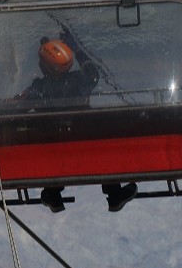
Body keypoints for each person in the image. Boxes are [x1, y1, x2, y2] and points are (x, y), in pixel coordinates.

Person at [17, 37, 138, 213]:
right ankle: (114, 193)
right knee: (102, 151)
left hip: (55, 145)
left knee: (51, 153)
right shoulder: (79, 80)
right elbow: (93, 74)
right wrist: (77, 49)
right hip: (85, 141)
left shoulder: (40, 88)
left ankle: (52, 193)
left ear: (44, 67)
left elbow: (20, 104)